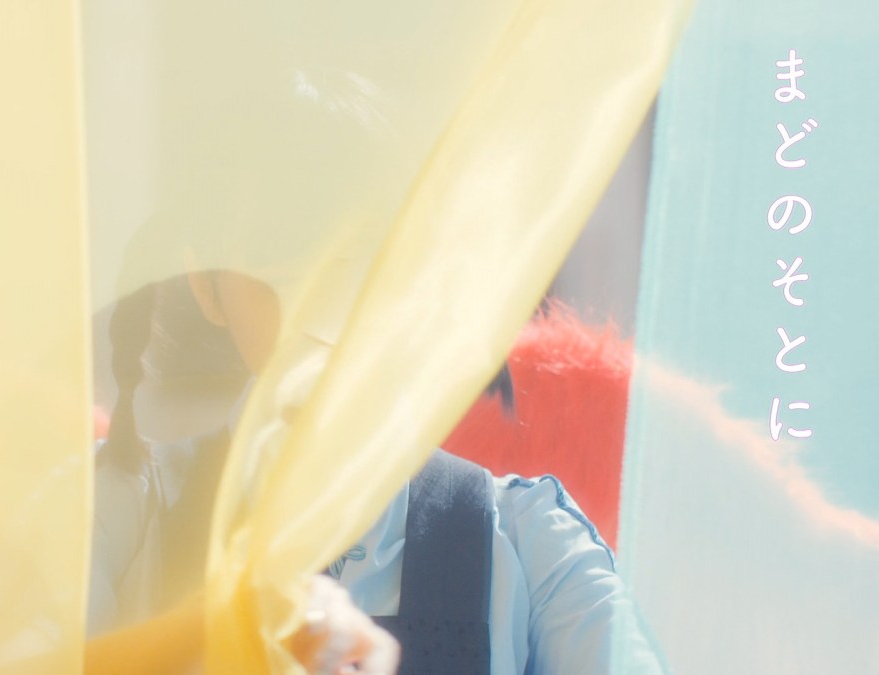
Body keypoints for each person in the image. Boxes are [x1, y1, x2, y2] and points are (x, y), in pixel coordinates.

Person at [88, 268, 665, 674]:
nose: (330, 289)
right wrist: (209, 634)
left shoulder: (534, 549)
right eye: (287, 251)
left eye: (374, 242)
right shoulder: (106, 513)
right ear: (206, 284)